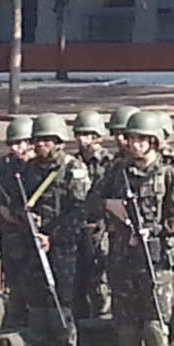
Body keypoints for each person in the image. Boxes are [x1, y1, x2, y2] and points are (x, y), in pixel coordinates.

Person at [88, 110, 174, 346]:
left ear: (154, 142)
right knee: (127, 332)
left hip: (157, 264)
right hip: (123, 262)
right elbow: (92, 202)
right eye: (131, 139)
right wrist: (113, 209)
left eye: (141, 140)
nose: (134, 145)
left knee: (155, 331)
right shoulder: (116, 171)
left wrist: (155, 229)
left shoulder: (170, 174)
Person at [22, 113, 88, 346]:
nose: (41, 144)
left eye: (47, 140)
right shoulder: (28, 169)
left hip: (64, 248)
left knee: (62, 303)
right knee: (37, 304)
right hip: (33, 246)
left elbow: (80, 211)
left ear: (59, 142)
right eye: (38, 140)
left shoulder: (73, 169)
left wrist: (54, 237)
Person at [0, 115, 35, 328]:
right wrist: (2, 210)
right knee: (13, 283)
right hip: (11, 236)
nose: (17, 148)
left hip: (34, 235)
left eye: (21, 143)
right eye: (13, 144)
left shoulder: (38, 168)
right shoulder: (4, 166)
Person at [72, 109, 113, 319]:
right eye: (79, 133)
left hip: (101, 229)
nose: (81, 138)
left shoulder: (110, 163)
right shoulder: (72, 164)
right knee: (77, 278)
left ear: (97, 136)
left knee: (100, 279)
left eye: (87, 134)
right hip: (77, 228)